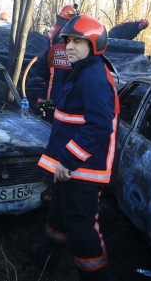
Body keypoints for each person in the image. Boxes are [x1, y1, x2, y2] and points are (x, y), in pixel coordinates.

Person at [32, 14, 120, 281]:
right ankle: (45, 257)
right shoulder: (81, 72)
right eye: (67, 40)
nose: (68, 46)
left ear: (94, 44)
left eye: (77, 42)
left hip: (82, 171)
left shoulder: (94, 78)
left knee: (81, 227)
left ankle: (96, 276)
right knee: (58, 216)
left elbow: (99, 127)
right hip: (69, 168)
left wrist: (68, 161)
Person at [34, 5, 79, 116]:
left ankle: (42, 111)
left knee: (49, 86)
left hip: (52, 59)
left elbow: (41, 70)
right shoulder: (62, 29)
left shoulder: (55, 27)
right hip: (59, 59)